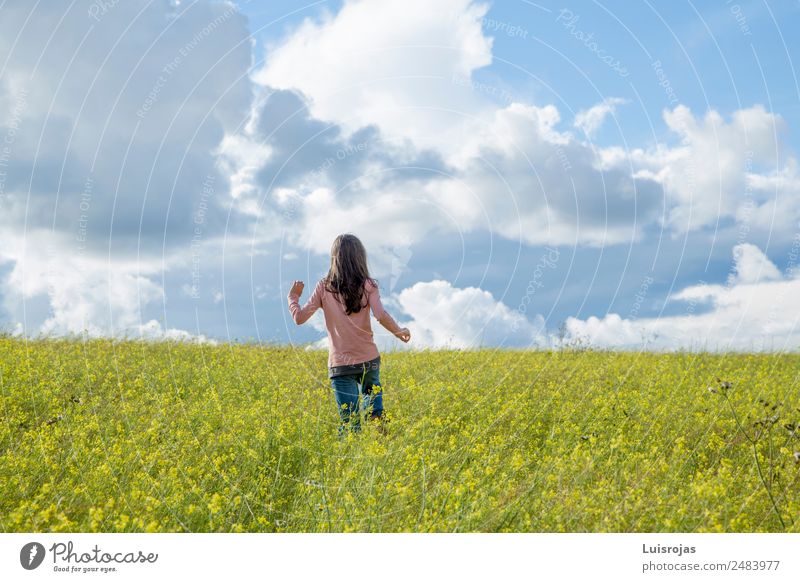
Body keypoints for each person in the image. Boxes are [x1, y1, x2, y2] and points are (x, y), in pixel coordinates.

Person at [287, 233, 411, 435]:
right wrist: (399, 331)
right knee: (374, 409)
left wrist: (293, 298)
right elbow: (380, 315)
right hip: (368, 360)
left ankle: (352, 454)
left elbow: (299, 318)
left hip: (340, 366)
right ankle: (379, 432)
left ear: (334, 258)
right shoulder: (369, 285)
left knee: (350, 423)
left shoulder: (324, 287)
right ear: (360, 257)